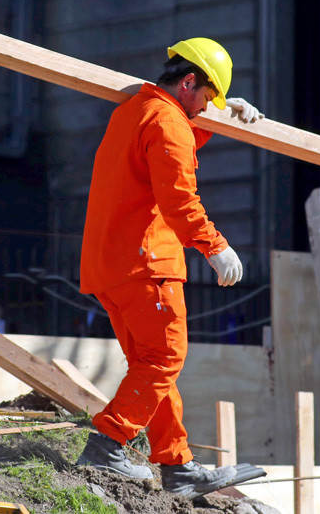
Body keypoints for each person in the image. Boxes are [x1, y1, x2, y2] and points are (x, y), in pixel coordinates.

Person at [75, 37, 267, 499]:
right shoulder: (168, 122)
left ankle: (177, 466)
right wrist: (215, 247)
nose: (206, 108)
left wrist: (219, 115)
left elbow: (166, 145)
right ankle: (109, 442)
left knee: (151, 366)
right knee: (164, 359)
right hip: (147, 263)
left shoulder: (135, 110)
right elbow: (179, 195)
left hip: (111, 265)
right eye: (206, 98)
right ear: (188, 83)